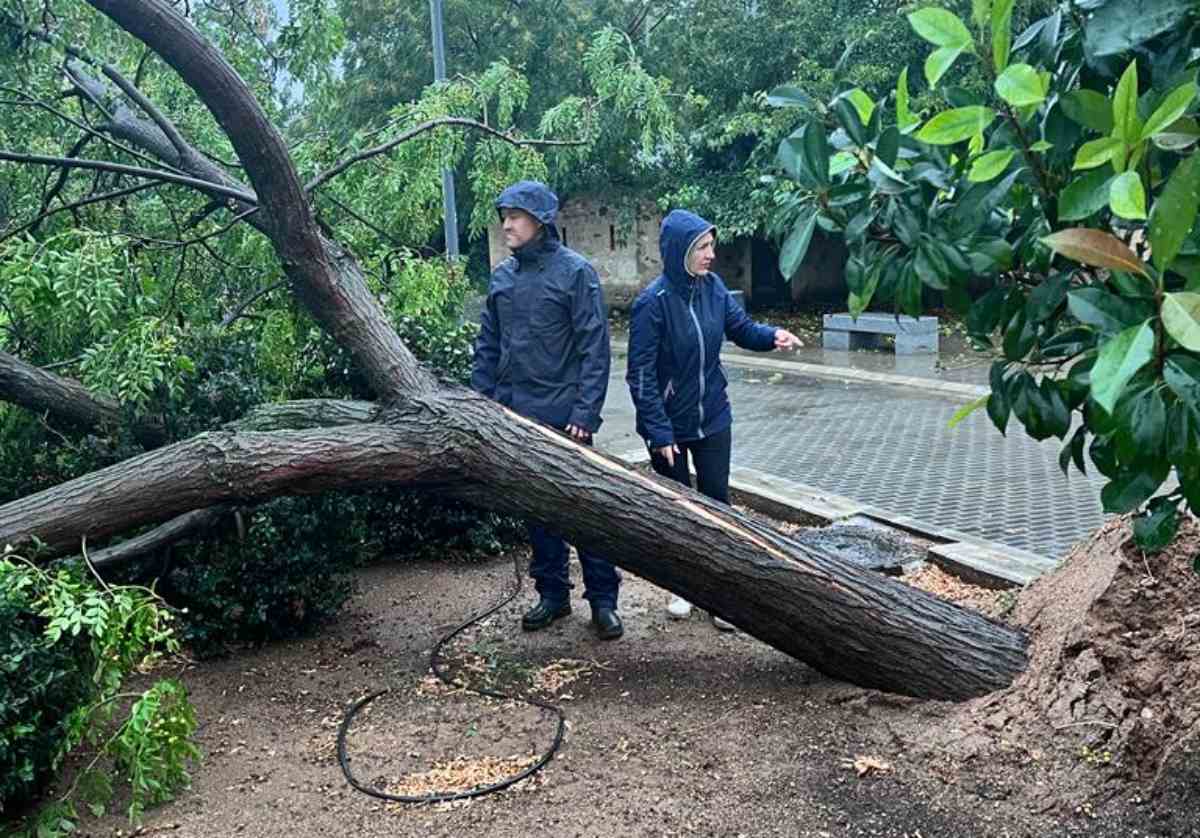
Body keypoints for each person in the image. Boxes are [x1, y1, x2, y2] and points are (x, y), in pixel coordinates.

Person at [626, 209, 802, 630]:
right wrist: (658, 430)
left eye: (711, 245)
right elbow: (641, 374)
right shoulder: (652, 304)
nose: (711, 254)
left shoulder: (714, 288)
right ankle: (684, 586)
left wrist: (770, 335)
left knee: (717, 505)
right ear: (679, 252)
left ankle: (722, 598)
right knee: (680, 511)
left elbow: (740, 328)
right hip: (669, 425)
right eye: (702, 247)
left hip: (714, 417)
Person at [471, 180, 623, 640]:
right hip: (518, 417)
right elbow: (488, 347)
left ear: (539, 221)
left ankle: (603, 601)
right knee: (538, 513)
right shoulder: (503, 277)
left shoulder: (576, 273)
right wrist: (480, 406)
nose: (506, 224)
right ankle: (552, 595)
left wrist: (585, 413)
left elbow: (594, 350)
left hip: (567, 420)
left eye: (514, 216)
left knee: (586, 511)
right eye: (505, 215)